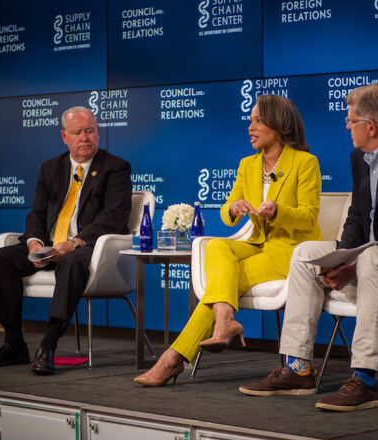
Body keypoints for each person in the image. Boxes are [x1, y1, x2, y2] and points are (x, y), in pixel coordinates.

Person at [239, 83, 378, 411]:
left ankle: (364, 380)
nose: (347, 127)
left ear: (370, 126)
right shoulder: (360, 158)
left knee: (372, 259)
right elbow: (358, 219)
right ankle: (298, 368)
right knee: (306, 254)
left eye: (351, 121)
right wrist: (338, 258)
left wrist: (353, 264)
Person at [134, 95, 322, 387]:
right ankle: (225, 319)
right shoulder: (248, 164)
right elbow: (228, 210)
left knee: (221, 286)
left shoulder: (304, 163)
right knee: (218, 246)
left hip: (290, 251)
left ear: (280, 123)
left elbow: (309, 217)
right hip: (258, 242)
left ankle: (172, 358)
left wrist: (278, 211)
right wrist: (233, 209)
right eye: (250, 121)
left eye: (259, 120)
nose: (251, 127)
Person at [0, 106, 132, 375]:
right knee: (0, 259)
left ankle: (48, 344)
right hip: (49, 245)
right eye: (77, 132)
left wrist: (73, 243)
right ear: (64, 137)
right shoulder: (51, 168)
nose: (84, 137)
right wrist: (35, 243)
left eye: (90, 131)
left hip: (87, 249)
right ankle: (13, 343)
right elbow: (37, 212)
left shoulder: (115, 168)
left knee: (70, 263)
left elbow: (114, 217)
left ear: (98, 132)